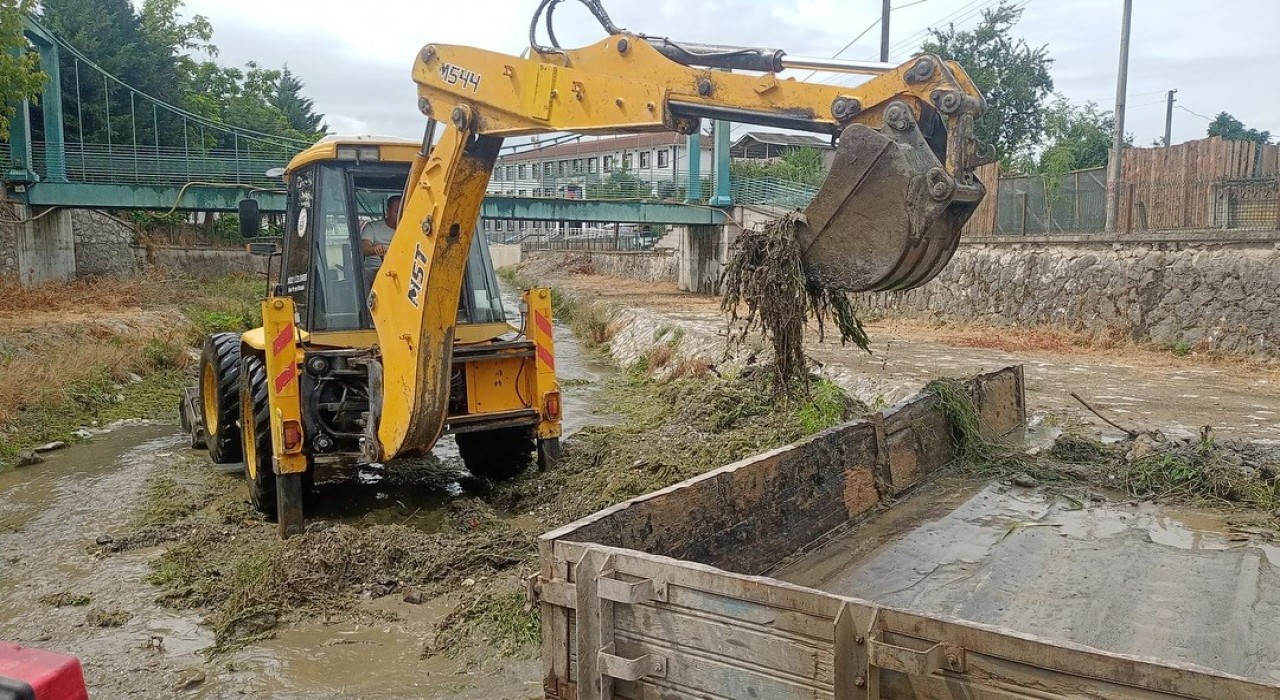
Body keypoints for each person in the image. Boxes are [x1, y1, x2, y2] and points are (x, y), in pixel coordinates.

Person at [361, 195, 401, 293]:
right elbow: (364, 247)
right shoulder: (372, 227)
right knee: (364, 277)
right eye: (396, 212)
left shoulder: (409, 230)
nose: (400, 215)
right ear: (388, 211)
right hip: (375, 269)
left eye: (402, 211)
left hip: (400, 270)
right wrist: (375, 249)